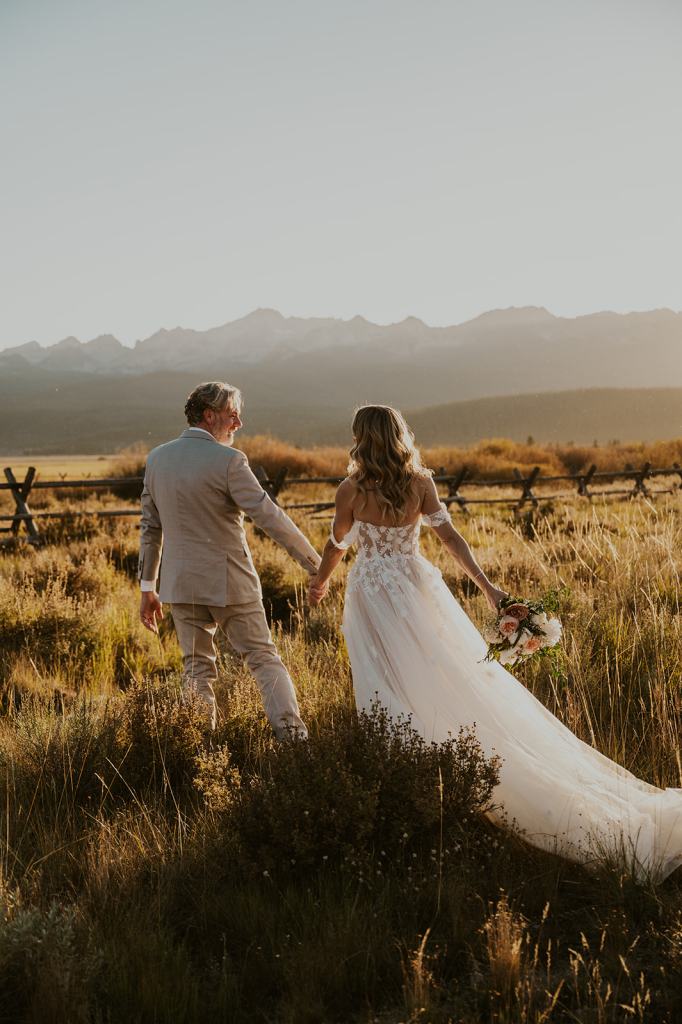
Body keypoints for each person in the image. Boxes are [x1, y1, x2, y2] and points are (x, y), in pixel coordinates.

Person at [308, 404, 682, 882]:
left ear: (362, 438)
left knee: (385, 684)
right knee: (442, 677)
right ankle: (432, 777)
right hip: (419, 591)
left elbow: (338, 544)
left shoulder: (351, 491)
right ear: (400, 435)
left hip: (372, 597)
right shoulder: (420, 483)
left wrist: (320, 583)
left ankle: (406, 788)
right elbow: (451, 540)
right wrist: (489, 589)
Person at [138, 381, 324, 735]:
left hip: (179, 586)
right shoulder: (230, 461)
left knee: (195, 669)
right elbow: (269, 516)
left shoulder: (157, 458)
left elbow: (150, 528)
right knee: (264, 660)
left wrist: (148, 587)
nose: (238, 423)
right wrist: (317, 565)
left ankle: (199, 753)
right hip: (231, 583)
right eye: (232, 415)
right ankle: (295, 743)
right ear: (209, 416)